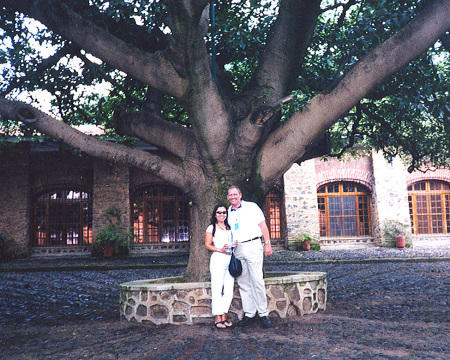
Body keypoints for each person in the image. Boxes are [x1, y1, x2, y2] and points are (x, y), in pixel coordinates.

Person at [226, 185, 273, 329]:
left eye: (235, 194)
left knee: (257, 280)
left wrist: (267, 243)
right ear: (228, 197)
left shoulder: (252, 207)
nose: (233, 197)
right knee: (243, 282)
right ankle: (249, 313)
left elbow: (263, 226)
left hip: (253, 245)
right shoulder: (228, 212)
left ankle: (263, 313)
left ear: (240, 195)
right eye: (230, 195)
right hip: (238, 249)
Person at [205, 204, 235, 329]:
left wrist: (234, 243)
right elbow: (207, 245)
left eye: (224, 212)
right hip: (218, 258)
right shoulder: (211, 228)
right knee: (217, 287)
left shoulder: (230, 227)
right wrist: (219, 249)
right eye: (219, 212)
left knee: (229, 288)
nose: (222, 215)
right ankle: (218, 317)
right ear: (215, 214)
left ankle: (224, 315)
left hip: (230, 259)